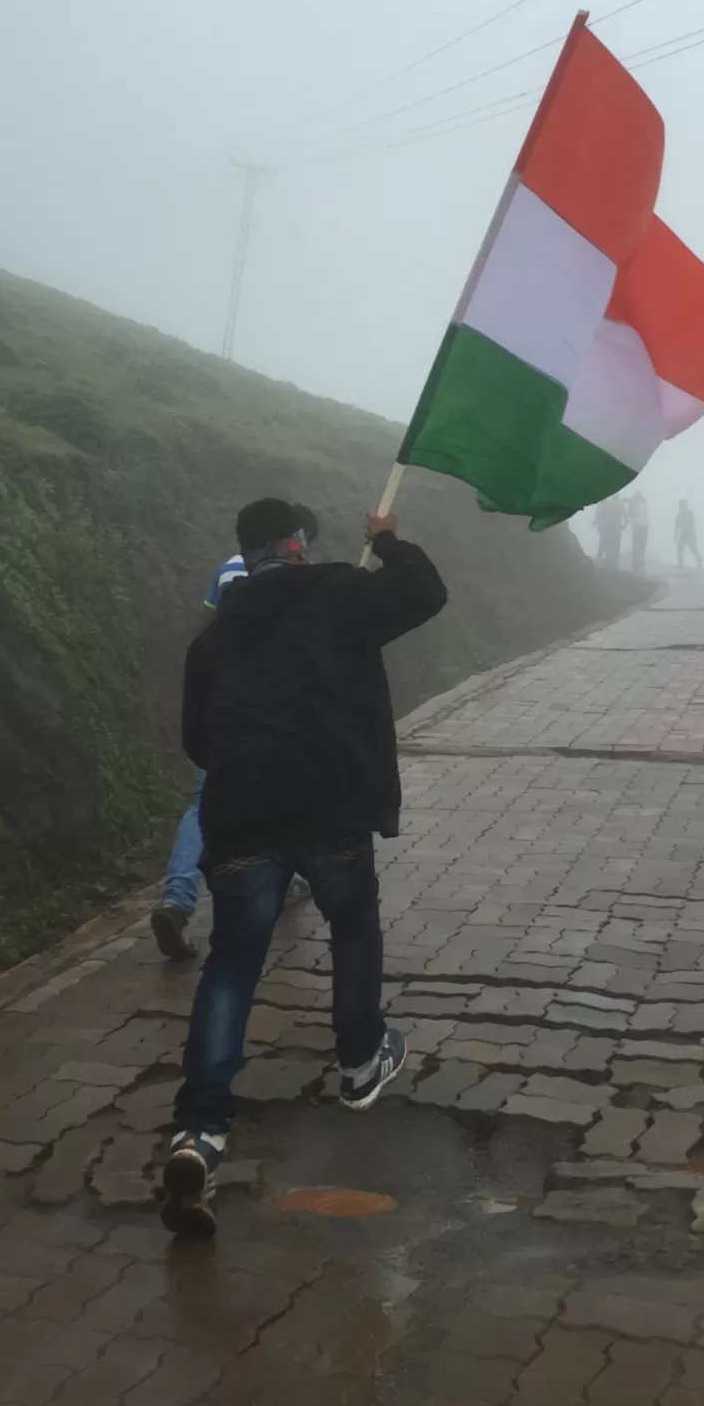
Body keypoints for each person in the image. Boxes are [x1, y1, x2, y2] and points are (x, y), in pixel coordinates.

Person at [161, 497, 447, 1238]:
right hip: (333, 809)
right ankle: (358, 1060)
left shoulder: (213, 638)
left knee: (231, 965)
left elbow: (198, 742)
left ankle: (199, 1131)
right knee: (351, 928)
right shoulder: (344, 597)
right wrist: (389, 541)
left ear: (249, 554)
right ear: (298, 543)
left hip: (244, 819)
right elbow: (425, 592)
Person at [149, 507, 320, 962]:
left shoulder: (227, 569)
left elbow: (205, 631)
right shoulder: (300, 581)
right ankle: (280, 883)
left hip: (221, 712)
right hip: (275, 718)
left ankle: (176, 901)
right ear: (291, 541)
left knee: (203, 805)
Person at [592, 495, 624, 568]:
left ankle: (604, 557)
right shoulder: (613, 505)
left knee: (605, 541)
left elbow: (599, 515)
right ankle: (610, 557)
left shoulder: (606, 506)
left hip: (606, 527)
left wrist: (595, 521)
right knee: (612, 542)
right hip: (611, 527)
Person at [626, 491, 650, 574]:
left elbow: (633, 515)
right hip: (643, 527)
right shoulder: (642, 503)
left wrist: (627, 519)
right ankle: (639, 562)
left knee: (637, 545)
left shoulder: (636, 505)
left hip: (638, 527)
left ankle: (636, 563)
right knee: (641, 545)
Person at [675, 498, 702, 570]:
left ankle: (699, 560)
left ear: (685, 506)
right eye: (680, 506)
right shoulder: (680, 515)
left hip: (690, 534)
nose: (680, 507)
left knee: (693, 549)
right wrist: (675, 535)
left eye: (682, 506)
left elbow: (692, 525)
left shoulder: (689, 514)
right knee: (680, 548)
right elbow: (676, 525)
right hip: (684, 533)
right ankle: (681, 564)